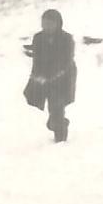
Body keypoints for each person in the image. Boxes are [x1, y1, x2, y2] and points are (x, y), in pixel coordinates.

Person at [23, 9, 77, 143]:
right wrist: (36, 77)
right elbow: (37, 59)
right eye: (44, 23)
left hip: (64, 77)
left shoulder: (67, 38)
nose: (46, 26)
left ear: (58, 24)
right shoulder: (38, 38)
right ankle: (56, 123)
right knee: (51, 107)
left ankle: (61, 140)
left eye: (49, 23)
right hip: (44, 76)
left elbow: (66, 61)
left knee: (57, 104)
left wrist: (52, 77)